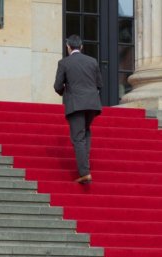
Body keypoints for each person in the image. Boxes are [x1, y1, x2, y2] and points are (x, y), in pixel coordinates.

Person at [53, 34, 103, 184]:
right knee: (85, 132)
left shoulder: (64, 63)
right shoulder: (92, 61)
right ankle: (85, 165)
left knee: (78, 138)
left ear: (68, 47)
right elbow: (99, 84)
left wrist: (65, 92)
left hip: (76, 104)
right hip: (92, 104)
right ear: (81, 47)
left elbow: (57, 86)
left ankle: (84, 172)